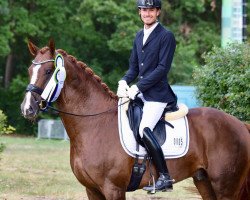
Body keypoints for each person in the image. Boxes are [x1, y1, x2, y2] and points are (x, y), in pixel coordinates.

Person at [117, 0, 176, 192]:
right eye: (144, 10)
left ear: (157, 12)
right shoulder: (138, 36)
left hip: (157, 95)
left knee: (144, 129)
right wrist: (124, 81)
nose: (147, 13)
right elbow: (134, 67)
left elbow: (161, 69)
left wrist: (138, 87)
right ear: (139, 12)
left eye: (151, 10)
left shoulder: (166, 36)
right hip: (141, 93)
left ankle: (165, 177)